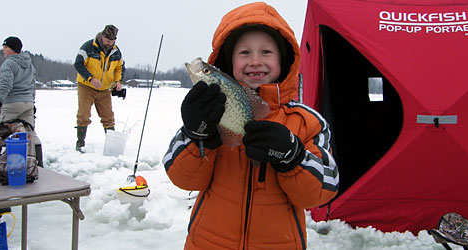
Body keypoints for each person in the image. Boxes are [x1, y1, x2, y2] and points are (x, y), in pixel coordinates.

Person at [163, 2, 339, 249]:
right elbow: (182, 177)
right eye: (244, 53)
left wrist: (293, 156)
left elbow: (325, 188)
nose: (255, 61)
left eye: (266, 52)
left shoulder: (306, 121)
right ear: (228, 61)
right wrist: (197, 135)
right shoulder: (210, 111)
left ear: (284, 60)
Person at [0, 36, 43, 167]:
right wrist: (32, 102)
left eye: (6, 47)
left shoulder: (9, 63)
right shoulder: (29, 64)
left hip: (12, 103)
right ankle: (38, 164)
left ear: (13, 49)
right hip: (27, 103)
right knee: (30, 134)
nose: (3, 50)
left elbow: (5, 85)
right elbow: (32, 85)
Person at [73, 24, 125, 152]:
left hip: (104, 89)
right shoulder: (88, 47)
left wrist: (118, 81)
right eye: (108, 40)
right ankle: (80, 144)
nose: (110, 43)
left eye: (113, 41)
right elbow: (78, 64)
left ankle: (111, 146)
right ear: (102, 36)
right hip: (86, 86)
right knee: (83, 115)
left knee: (108, 117)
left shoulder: (116, 51)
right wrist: (90, 78)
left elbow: (120, 67)